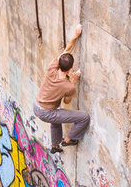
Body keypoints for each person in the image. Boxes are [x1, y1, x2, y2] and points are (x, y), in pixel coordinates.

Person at [34, 23, 90, 153]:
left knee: (55, 117)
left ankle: (54, 146)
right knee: (84, 117)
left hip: (36, 106)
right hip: (47, 112)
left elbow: (67, 50)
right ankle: (68, 140)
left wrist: (75, 36)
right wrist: (73, 82)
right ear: (71, 68)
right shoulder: (67, 85)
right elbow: (66, 101)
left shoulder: (52, 67)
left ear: (59, 63)